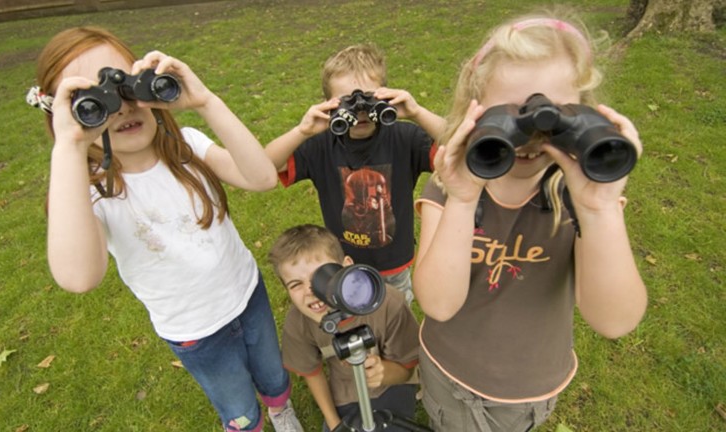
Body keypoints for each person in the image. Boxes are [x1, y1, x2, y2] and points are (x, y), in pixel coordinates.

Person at [29, 26, 302, 432]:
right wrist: (68, 146)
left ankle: (280, 408)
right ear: (66, 113)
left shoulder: (186, 144)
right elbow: (78, 276)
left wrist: (205, 101)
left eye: (125, 85)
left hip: (247, 292)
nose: (120, 107)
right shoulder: (90, 193)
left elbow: (262, 178)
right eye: (94, 99)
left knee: (272, 372)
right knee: (236, 402)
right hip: (194, 330)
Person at [412, 11, 648, 432]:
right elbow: (437, 304)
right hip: (448, 373)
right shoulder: (449, 189)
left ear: (583, 115)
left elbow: (615, 321)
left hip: (526, 391)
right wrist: (464, 201)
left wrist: (600, 211)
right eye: (510, 114)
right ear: (475, 112)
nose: (532, 136)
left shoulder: (577, 203)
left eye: (558, 115)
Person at [265, 44, 446, 304]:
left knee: (395, 317)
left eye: (369, 99)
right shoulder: (320, 145)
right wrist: (302, 131)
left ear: (385, 96)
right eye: (348, 102)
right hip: (345, 263)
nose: (360, 110)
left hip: (395, 262)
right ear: (329, 104)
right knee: (355, 320)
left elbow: (462, 148)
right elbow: (265, 167)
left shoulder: (404, 137)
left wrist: (416, 113)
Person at [268, 224, 421, 431]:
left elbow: (407, 368)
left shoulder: (386, 302)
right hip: (345, 392)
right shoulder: (298, 323)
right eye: (296, 284)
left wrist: (383, 372)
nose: (311, 291)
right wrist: (334, 423)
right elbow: (312, 373)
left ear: (346, 266)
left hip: (390, 386)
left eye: (321, 277)